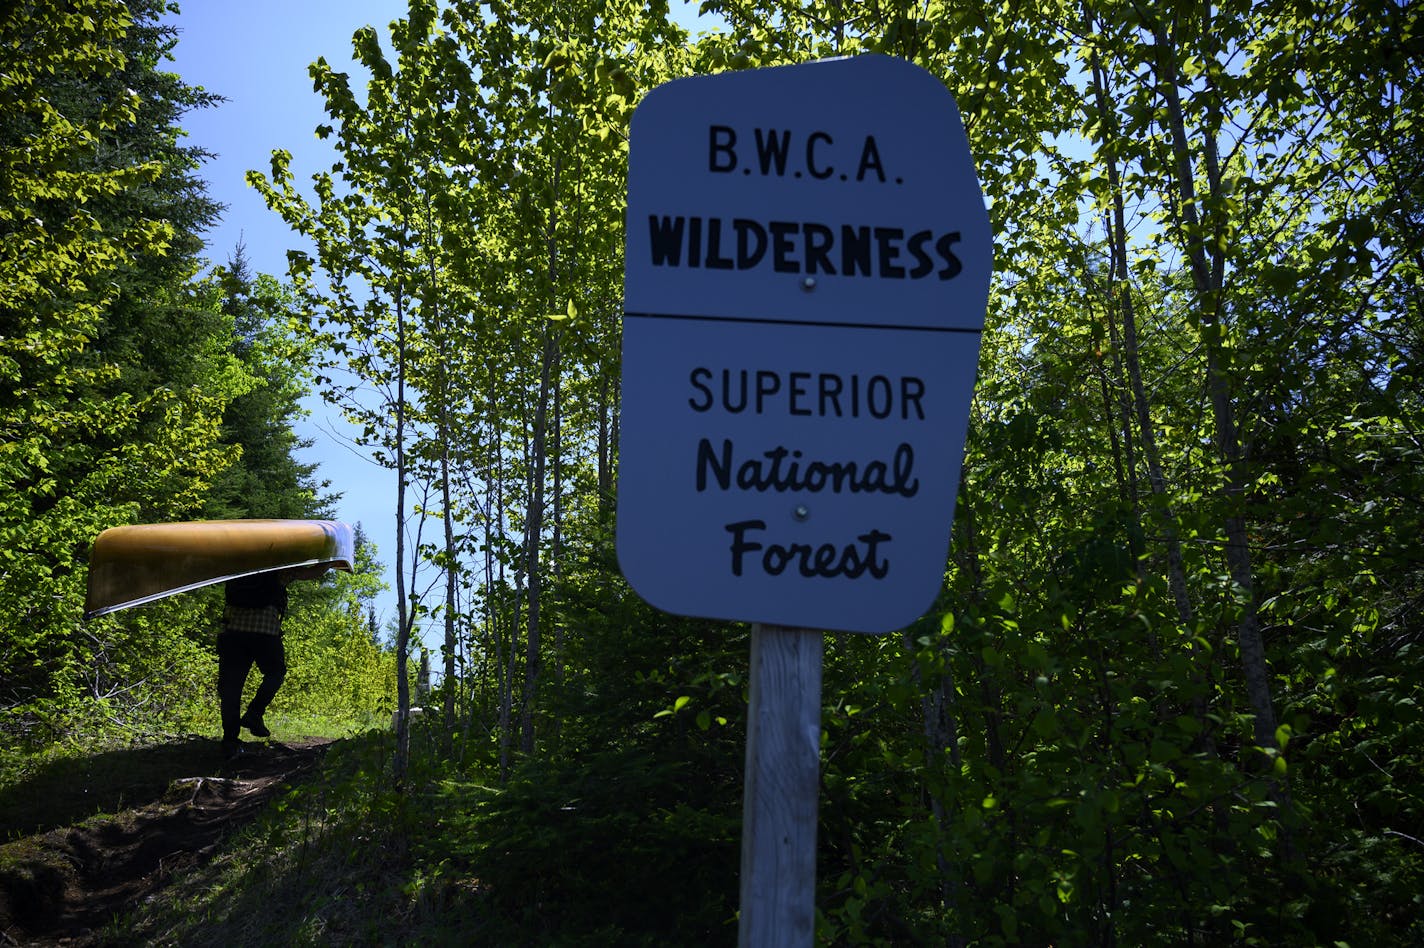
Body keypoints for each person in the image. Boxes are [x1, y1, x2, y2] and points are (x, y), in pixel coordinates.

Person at [219, 563, 330, 759]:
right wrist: (330, 561)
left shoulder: (235, 563)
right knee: (275, 673)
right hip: (265, 632)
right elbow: (313, 572)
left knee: (231, 689)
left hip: (234, 631)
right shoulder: (277, 568)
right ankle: (254, 713)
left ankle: (229, 741)